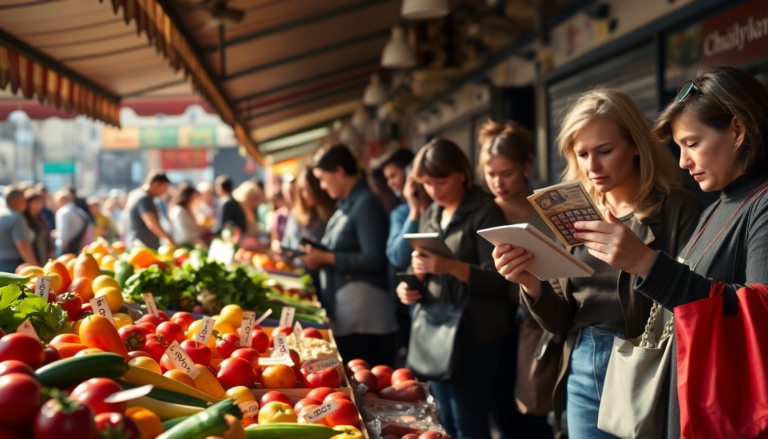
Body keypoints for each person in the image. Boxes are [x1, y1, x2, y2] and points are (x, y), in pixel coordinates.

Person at [563, 67, 768, 438]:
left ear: (737, 131)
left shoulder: (761, 204)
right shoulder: (716, 207)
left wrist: (644, 262)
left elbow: (757, 315)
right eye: (679, 148)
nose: (684, 161)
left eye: (692, 143)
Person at [491, 89, 704, 439]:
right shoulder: (571, 213)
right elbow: (559, 320)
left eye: (605, 151)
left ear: (636, 144)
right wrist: (529, 281)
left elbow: (697, 304)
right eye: (583, 154)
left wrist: (641, 261)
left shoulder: (678, 209)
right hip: (581, 359)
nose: (593, 166)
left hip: (650, 366)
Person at [394, 138, 511, 439]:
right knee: (444, 420)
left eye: (441, 181)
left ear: (461, 172)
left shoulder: (484, 212)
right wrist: (411, 283)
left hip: (476, 335)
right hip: (437, 331)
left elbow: (502, 280)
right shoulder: (433, 212)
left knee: (469, 423)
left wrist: (452, 267)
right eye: (428, 184)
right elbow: (418, 262)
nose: (434, 190)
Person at [477, 119, 555, 438]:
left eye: (506, 173)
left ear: (525, 166)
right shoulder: (483, 213)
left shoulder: (547, 207)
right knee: (503, 407)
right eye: (491, 174)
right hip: (498, 317)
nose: (498, 182)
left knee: (537, 402)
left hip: (544, 313)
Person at [299, 144, 397, 367]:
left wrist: (325, 258)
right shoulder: (347, 203)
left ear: (340, 171)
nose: (322, 186)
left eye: (323, 178)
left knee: (364, 373)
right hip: (350, 308)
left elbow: (374, 257)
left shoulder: (365, 203)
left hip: (365, 312)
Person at [281, 168, 335, 291]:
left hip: (329, 278)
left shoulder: (331, 213)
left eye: (309, 190)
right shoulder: (296, 215)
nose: (306, 195)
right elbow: (287, 243)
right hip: (301, 275)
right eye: (302, 190)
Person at [123, 170, 176, 250]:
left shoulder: (136, 194)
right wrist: (171, 240)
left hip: (137, 246)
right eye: (164, 188)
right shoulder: (144, 198)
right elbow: (152, 224)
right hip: (144, 249)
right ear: (156, 184)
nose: (164, 192)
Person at [0, 187, 38, 271]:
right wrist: (35, 267)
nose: (26, 204)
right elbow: (23, 245)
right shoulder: (16, 218)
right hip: (13, 266)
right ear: (15, 201)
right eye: (23, 200)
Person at [54, 190, 94, 256]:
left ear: (62, 200)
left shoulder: (62, 212)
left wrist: (62, 243)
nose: (56, 203)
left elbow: (62, 236)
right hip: (81, 248)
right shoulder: (80, 211)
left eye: (57, 201)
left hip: (67, 250)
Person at [233, 181, 266, 249]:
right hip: (240, 246)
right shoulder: (235, 207)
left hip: (252, 244)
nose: (255, 203)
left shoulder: (252, 209)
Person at [23, 189, 52, 265]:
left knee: (44, 276)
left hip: (42, 254)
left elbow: (47, 236)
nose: (38, 205)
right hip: (29, 259)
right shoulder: (23, 220)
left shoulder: (41, 218)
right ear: (28, 203)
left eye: (40, 202)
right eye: (35, 202)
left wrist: (50, 251)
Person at [271, 175, 296, 251]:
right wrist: (276, 245)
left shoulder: (302, 214)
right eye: (287, 193)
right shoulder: (279, 214)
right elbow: (274, 239)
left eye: (292, 193)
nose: (289, 196)